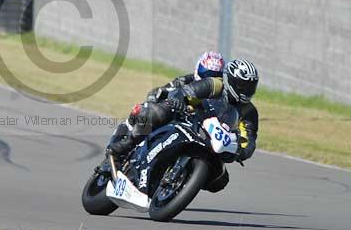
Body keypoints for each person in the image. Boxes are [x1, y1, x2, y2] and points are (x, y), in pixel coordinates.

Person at [106, 58, 260, 193]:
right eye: (242, 86)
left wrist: (242, 151)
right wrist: (179, 99)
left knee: (220, 180)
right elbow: (187, 91)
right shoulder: (214, 84)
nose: (247, 91)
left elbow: (249, 139)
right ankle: (128, 143)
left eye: (251, 87)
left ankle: (182, 182)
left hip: (213, 140)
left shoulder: (249, 112)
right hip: (189, 119)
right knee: (157, 112)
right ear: (230, 81)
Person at [104, 51, 225, 158]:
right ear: (198, 69)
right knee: (141, 109)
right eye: (206, 73)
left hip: (194, 127)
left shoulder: (220, 96)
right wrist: (155, 101)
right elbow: (159, 91)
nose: (209, 79)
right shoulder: (186, 80)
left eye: (214, 76)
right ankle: (125, 142)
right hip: (173, 114)